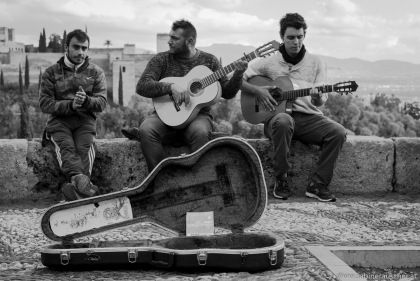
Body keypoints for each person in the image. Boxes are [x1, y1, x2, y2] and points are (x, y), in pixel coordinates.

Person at [240, 13, 346, 202]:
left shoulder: (316, 63)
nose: (296, 42)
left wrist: (317, 97)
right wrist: (258, 92)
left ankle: (318, 185)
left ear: (304, 36)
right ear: (282, 37)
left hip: (307, 118)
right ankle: (281, 179)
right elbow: (238, 80)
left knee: (338, 132)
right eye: (291, 37)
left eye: (300, 37)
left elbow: (320, 102)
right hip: (276, 119)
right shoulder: (269, 62)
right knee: (283, 120)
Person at [123, 19, 248, 172]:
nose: (169, 42)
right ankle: (160, 179)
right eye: (170, 37)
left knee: (200, 132)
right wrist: (171, 87)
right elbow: (142, 86)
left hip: (199, 116)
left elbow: (228, 93)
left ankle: (197, 180)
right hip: (164, 115)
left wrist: (238, 74)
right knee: (147, 129)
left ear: (189, 41)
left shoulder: (210, 61)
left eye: (174, 38)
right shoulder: (162, 59)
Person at [39, 29, 107, 201]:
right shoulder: (51, 72)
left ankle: (75, 188)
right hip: (59, 122)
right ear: (66, 47)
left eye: (84, 48)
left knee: (84, 148)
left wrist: (86, 102)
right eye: (76, 47)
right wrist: (70, 105)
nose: (80, 52)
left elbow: (102, 103)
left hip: (85, 122)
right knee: (67, 148)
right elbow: (45, 103)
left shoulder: (96, 72)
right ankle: (86, 189)